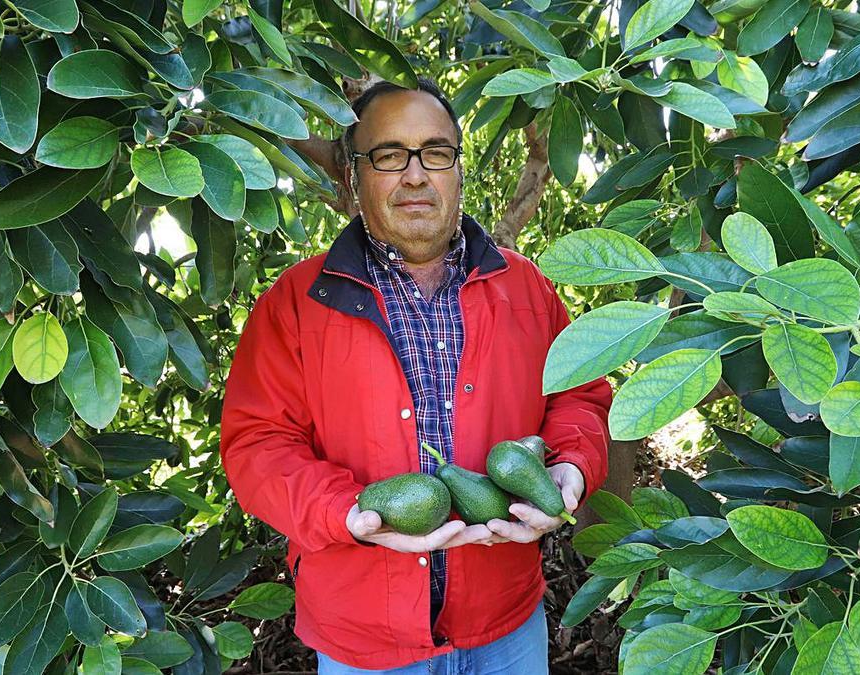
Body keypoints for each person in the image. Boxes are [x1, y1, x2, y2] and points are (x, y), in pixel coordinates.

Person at [219, 76, 611, 673]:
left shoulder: (526, 287)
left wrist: (571, 465)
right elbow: (257, 444)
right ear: (354, 175)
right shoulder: (297, 302)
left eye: (435, 152)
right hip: (361, 635)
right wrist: (345, 512)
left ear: (457, 170)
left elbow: (579, 395)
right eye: (388, 155)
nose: (415, 173)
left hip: (505, 620)